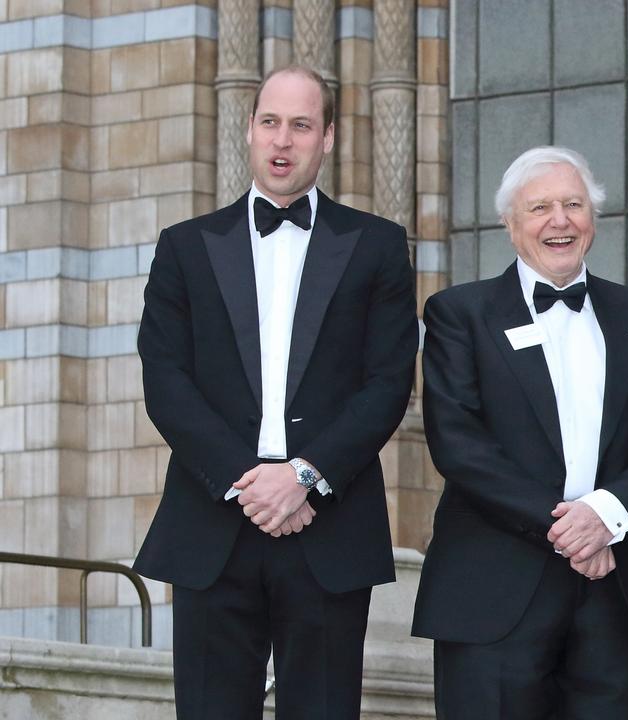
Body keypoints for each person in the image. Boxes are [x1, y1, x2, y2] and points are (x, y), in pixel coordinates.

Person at [133, 64, 419, 719]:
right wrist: (247, 477)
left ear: (329, 139)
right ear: (249, 131)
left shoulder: (376, 247)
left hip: (328, 526)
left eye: (300, 124)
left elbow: (388, 383)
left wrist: (303, 476)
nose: (281, 140)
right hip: (212, 525)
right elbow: (165, 380)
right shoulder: (185, 247)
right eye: (269, 123)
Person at [410, 146, 628, 720]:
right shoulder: (458, 314)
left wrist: (606, 518)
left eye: (573, 205)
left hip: (616, 594)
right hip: (494, 593)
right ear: (510, 225)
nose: (559, 220)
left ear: (594, 219)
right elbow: (459, 445)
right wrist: (571, 529)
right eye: (539, 207)